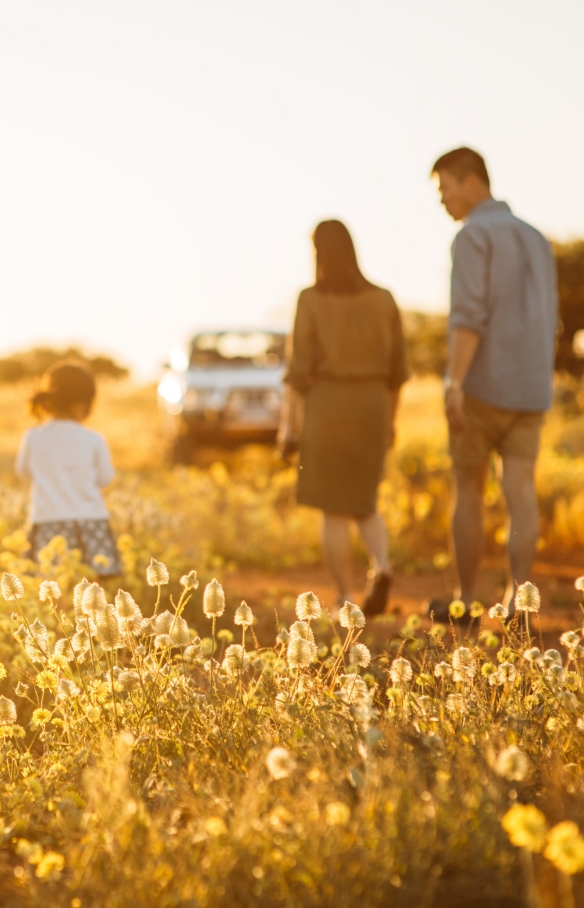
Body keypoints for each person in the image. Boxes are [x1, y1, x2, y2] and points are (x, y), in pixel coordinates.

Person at [430, 147, 558, 618]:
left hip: (483, 388)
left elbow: (469, 318)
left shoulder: (471, 236)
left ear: (470, 182)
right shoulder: (536, 238)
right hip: (531, 389)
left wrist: (454, 382)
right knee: (520, 492)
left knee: (468, 488)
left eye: (445, 187)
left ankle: (466, 601)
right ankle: (518, 602)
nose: (443, 200)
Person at [278, 220, 408, 615]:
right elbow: (397, 372)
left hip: (328, 406)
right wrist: (389, 420)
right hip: (372, 405)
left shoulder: (310, 299)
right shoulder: (384, 299)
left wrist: (288, 427)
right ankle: (381, 566)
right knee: (364, 502)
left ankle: (346, 600)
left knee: (333, 509)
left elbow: (297, 372)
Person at [16, 360, 122, 576]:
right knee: (93, 590)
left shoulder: (33, 437)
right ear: (84, 403)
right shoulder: (93, 439)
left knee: (52, 589)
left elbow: (23, 473)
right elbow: (105, 479)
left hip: (47, 522)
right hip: (91, 522)